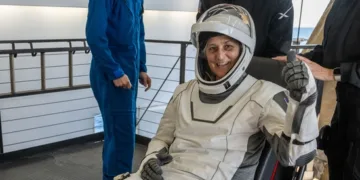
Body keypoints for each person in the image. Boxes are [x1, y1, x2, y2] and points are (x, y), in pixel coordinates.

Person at [114, 4, 318, 180]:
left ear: (243, 50)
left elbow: (296, 155)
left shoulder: (263, 94)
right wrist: (150, 160)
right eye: (212, 48)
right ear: (204, 54)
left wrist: (304, 98)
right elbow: (162, 138)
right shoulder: (184, 91)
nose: (220, 56)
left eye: (228, 46)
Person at [273, 0, 360, 179]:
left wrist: (331, 73)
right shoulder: (342, 5)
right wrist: (298, 61)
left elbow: (331, 70)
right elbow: (330, 53)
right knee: (338, 162)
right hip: (344, 108)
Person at [85, 0, 151, 180]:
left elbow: (139, 32)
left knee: (120, 132)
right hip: (111, 74)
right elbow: (95, 36)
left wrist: (141, 67)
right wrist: (115, 71)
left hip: (128, 71)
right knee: (121, 136)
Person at [196, 0, 294, 58]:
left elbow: (278, 54)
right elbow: (202, 37)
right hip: (213, 75)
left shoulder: (280, 3)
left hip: (259, 79)